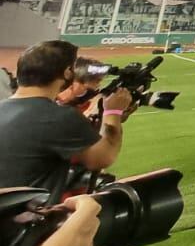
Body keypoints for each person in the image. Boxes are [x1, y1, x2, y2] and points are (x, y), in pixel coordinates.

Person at [0, 41, 132, 192]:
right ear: (68, 72)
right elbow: (103, 157)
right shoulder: (59, 117)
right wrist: (113, 112)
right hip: (30, 213)